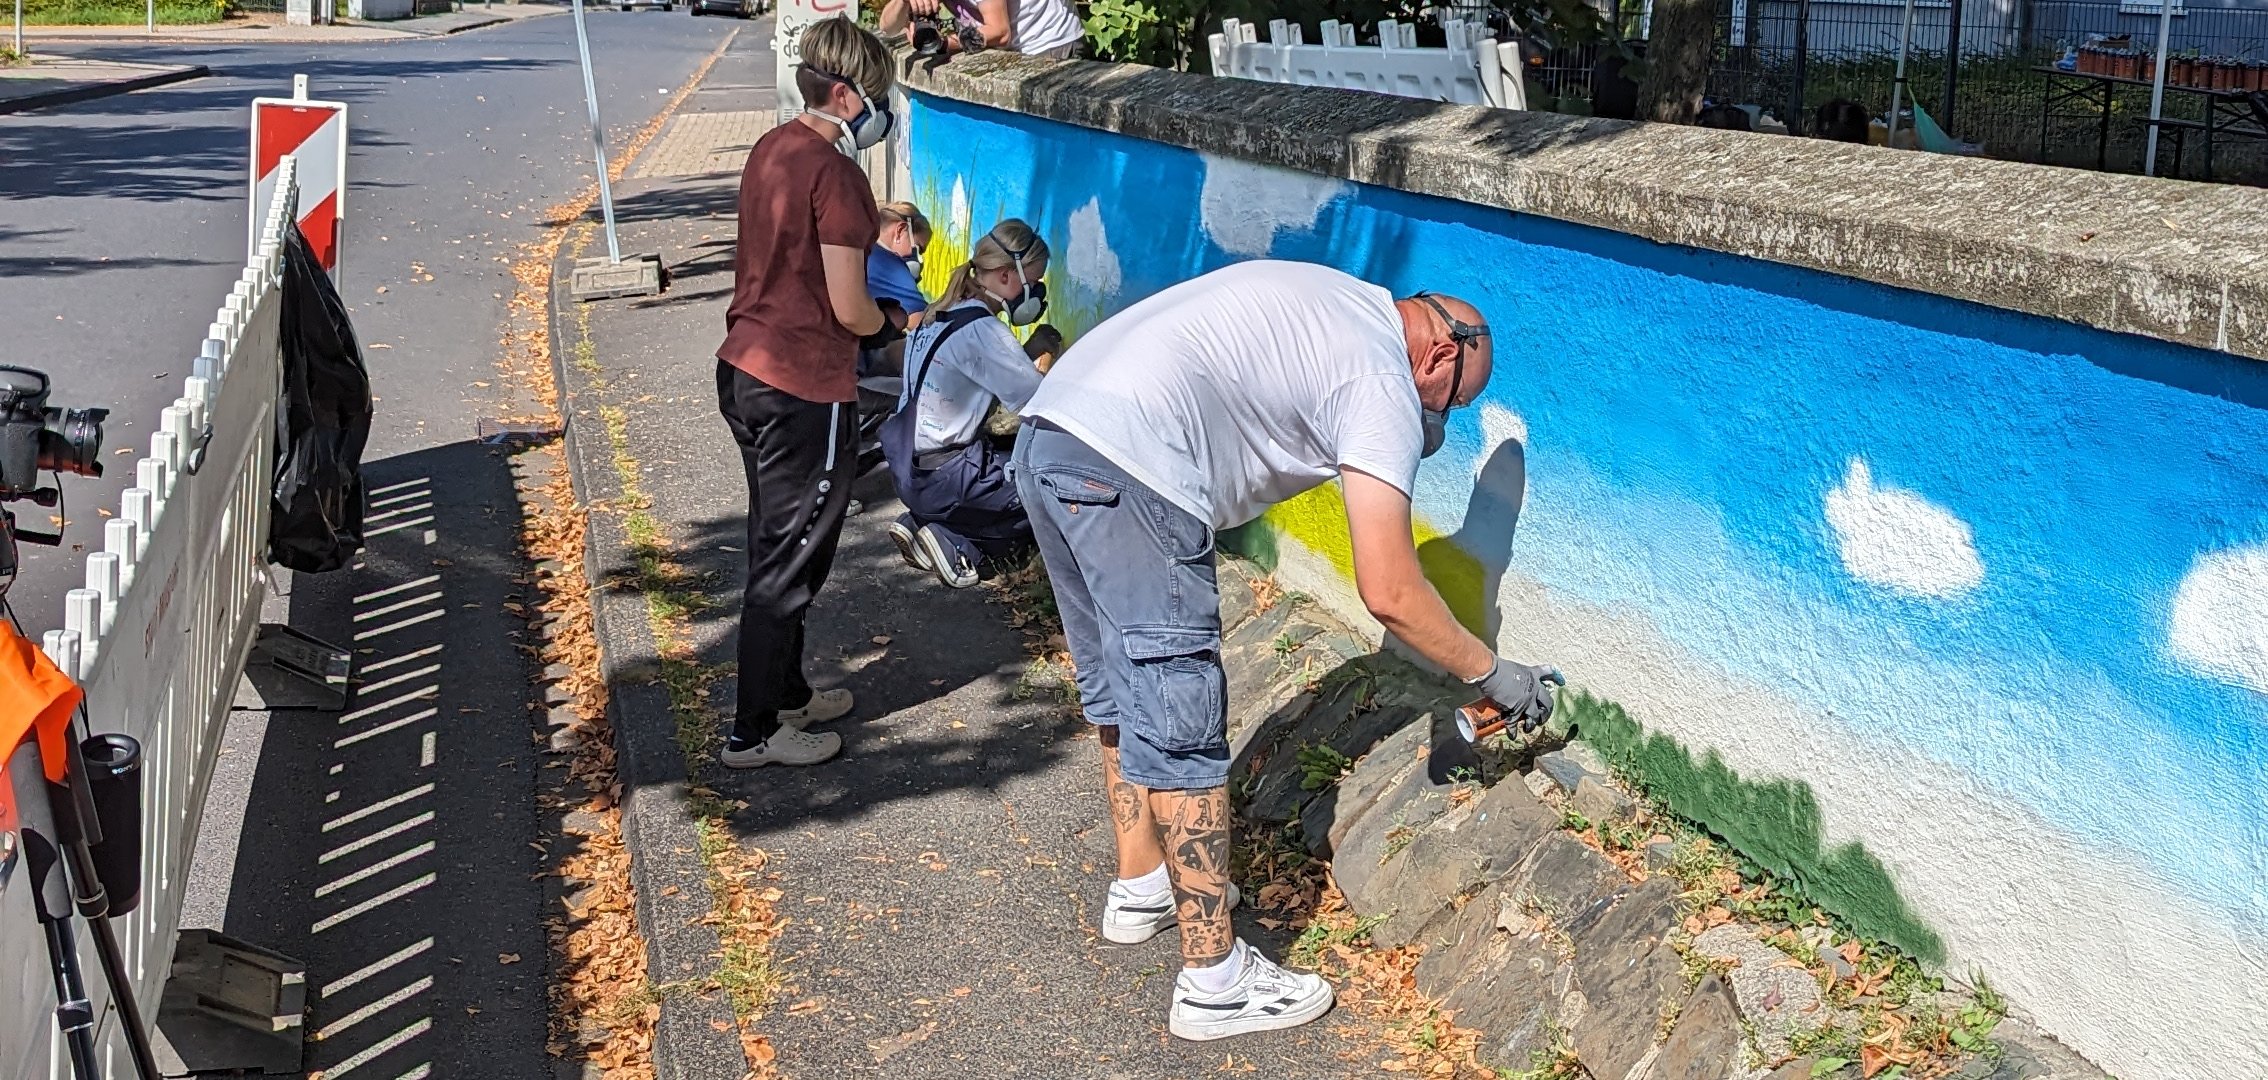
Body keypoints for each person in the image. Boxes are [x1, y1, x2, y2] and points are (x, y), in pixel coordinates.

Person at [1010, 260, 1566, 1042]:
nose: (1445, 421)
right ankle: (1214, 982)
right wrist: (1490, 671)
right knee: (1182, 713)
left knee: (1122, 688)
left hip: (1052, 435)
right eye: (1455, 402)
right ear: (1441, 355)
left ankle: (1142, 885)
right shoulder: (1382, 383)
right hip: (1136, 466)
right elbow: (1389, 588)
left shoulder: (1340, 305)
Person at [714, 16, 898, 770]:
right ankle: (754, 731)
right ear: (850, 96)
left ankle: (787, 693)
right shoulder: (840, 176)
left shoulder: (772, 148)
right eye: (880, 94)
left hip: (745, 365)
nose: (884, 109)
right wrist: (895, 327)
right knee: (791, 561)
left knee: (778, 541)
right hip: (803, 386)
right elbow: (850, 304)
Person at [883, 219, 1052, 588]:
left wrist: (1027, 352)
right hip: (951, 476)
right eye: (1034, 282)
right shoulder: (985, 330)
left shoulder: (939, 314)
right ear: (1007, 276)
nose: (1036, 291)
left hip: (912, 469)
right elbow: (1039, 406)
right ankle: (957, 543)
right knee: (1050, 487)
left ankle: (921, 522)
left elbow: (972, 381)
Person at [863, 201, 932, 378]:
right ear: (900, 231)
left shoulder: (861, 247)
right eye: (918, 249)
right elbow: (925, 324)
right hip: (857, 367)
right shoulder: (890, 266)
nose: (919, 260)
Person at [877, 0, 1083, 59]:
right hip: (1018, 47)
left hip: (1053, 42)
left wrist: (944, 45)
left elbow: (1000, 33)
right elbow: (887, 27)